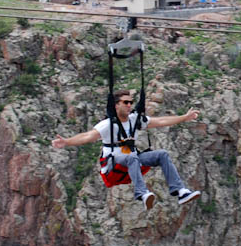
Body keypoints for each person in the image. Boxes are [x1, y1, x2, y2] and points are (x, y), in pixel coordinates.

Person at [51, 89, 202, 210]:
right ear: (116, 105)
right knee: (132, 157)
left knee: (162, 154)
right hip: (113, 165)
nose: (129, 105)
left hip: (131, 161)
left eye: (131, 102)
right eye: (125, 102)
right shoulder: (108, 124)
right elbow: (87, 136)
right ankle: (142, 193)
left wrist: (184, 118)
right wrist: (67, 142)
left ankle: (180, 191)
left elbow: (161, 121)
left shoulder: (134, 121)